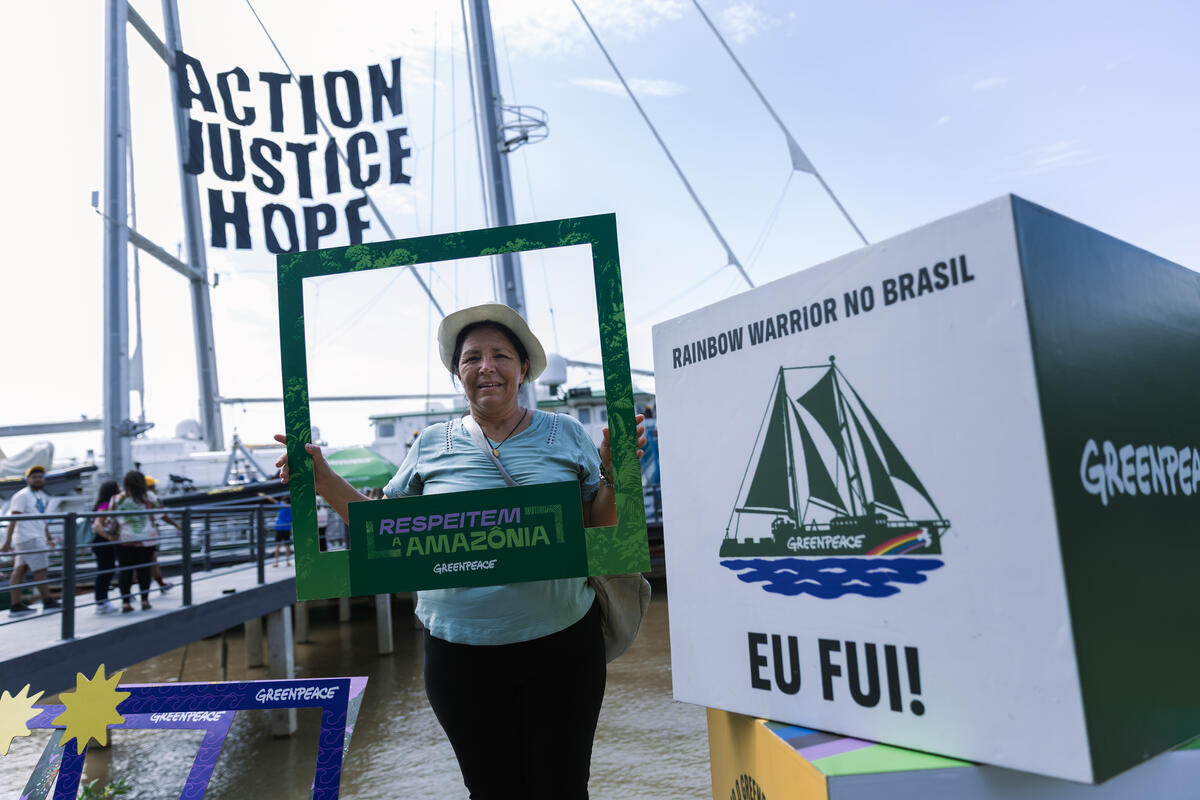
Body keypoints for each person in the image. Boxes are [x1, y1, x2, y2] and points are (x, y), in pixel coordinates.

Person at [276, 303, 643, 799]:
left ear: (523, 368)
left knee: (562, 788)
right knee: (491, 791)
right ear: (458, 373)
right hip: (459, 656)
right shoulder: (431, 444)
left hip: (562, 647)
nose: (486, 367)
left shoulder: (566, 434)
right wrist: (323, 481)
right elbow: (385, 534)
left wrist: (615, 475)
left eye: (500, 355)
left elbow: (598, 532)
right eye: (471, 358)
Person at [112, 470, 180, 612]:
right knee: (144, 570)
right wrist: (176, 524)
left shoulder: (117, 498)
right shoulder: (149, 497)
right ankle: (144, 601)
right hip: (147, 539)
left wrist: (111, 534)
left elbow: (112, 519)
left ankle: (125, 603)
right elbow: (161, 515)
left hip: (125, 539)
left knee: (125, 571)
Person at [2, 465, 60, 614]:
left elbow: (43, 520)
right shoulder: (22, 495)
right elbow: (13, 518)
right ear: (27, 479)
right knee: (41, 569)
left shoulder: (39, 496)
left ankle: (16, 605)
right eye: (34, 477)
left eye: (40, 477)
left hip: (31, 537)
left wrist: (49, 537)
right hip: (29, 538)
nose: (38, 479)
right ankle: (47, 601)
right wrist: (7, 542)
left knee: (19, 571)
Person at [90, 480, 122, 614]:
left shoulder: (103, 504)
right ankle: (101, 602)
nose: (120, 489)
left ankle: (102, 601)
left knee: (106, 570)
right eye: (118, 487)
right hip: (103, 543)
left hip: (101, 543)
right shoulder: (105, 505)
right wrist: (109, 537)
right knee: (105, 571)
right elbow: (97, 525)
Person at [258, 492, 293, 566]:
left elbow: (272, 500)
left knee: (277, 545)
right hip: (287, 528)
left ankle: (276, 562)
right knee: (287, 545)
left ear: (285, 501)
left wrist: (264, 495)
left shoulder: (282, 505)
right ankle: (287, 561)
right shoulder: (291, 507)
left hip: (279, 528)